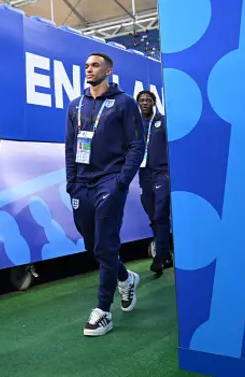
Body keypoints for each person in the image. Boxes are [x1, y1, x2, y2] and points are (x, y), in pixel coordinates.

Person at [65, 52, 145, 337]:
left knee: (107, 245)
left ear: (109, 70)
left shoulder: (124, 103)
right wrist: (71, 183)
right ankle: (125, 278)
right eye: (86, 65)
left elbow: (137, 145)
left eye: (95, 65)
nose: (89, 69)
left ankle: (103, 311)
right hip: (82, 185)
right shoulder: (75, 106)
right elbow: (71, 148)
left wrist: (122, 181)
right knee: (93, 247)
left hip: (110, 182)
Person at [136, 90, 173, 275]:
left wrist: (168, 171)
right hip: (144, 175)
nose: (144, 103)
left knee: (160, 214)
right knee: (153, 216)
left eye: (148, 100)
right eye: (141, 100)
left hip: (161, 173)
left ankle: (160, 256)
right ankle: (166, 255)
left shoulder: (163, 121)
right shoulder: (134, 125)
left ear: (154, 102)